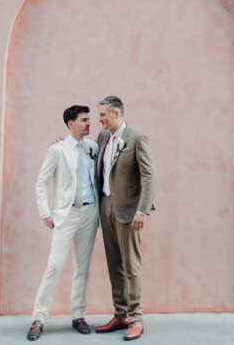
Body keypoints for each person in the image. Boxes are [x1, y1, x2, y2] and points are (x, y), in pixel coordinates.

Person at [27, 105, 101, 341]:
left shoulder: (93, 147)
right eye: (84, 120)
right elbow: (41, 183)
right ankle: (38, 318)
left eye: (89, 119)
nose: (89, 124)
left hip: (90, 213)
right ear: (71, 124)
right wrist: (45, 213)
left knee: (83, 267)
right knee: (55, 265)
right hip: (65, 215)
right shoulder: (57, 150)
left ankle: (78, 316)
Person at [94, 96, 157, 342]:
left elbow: (150, 176)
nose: (99, 119)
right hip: (105, 207)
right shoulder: (102, 137)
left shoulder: (137, 138)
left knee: (131, 266)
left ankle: (136, 318)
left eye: (103, 115)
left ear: (117, 114)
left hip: (129, 211)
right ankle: (121, 314)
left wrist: (142, 210)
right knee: (114, 265)